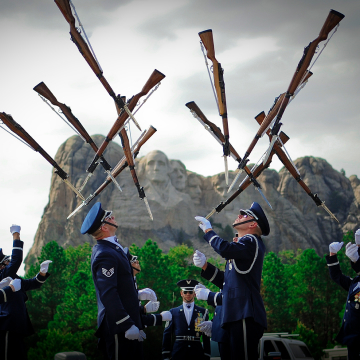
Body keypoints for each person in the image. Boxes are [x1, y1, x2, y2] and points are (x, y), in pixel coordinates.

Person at [81, 202, 157, 360]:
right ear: (104, 227)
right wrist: (126, 324)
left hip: (127, 322)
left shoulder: (112, 249)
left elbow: (120, 286)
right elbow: (108, 294)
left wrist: (136, 294)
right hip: (118, 325)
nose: (113, 217)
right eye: (109, 216)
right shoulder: (105, 253)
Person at [195, 202, 269, 360]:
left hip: (244, 313)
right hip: (235, 314)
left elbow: (225, 249)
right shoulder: (243, 245)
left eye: (243, 215)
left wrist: (209, 231)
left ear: (253, 224)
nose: (238, 216)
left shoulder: (251, 241)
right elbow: (228, 281)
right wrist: (205, 266)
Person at [0, 259, 52, 359]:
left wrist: (42, 273)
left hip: (17, 326)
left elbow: (34, 283)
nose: (9, 262)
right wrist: (10, 288)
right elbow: (17, 257)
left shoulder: (12, 278)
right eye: (6, 261)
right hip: (6, 327)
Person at [327, 231, 360, 360]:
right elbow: (337, 276)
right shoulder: (355, 283)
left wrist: (357, 261)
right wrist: (333, 254)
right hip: (353, 339)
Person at [162, 279, 211, 360]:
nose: (188, 294)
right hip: (178, 353)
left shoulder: (203, 312)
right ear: (181, 293)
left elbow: (206, 336)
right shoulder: (173, 312)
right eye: (185, 292)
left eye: (190, 292)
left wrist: (207, 354)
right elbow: (167, 335)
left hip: (197, 353)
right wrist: (166, 355)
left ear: (194, 294)